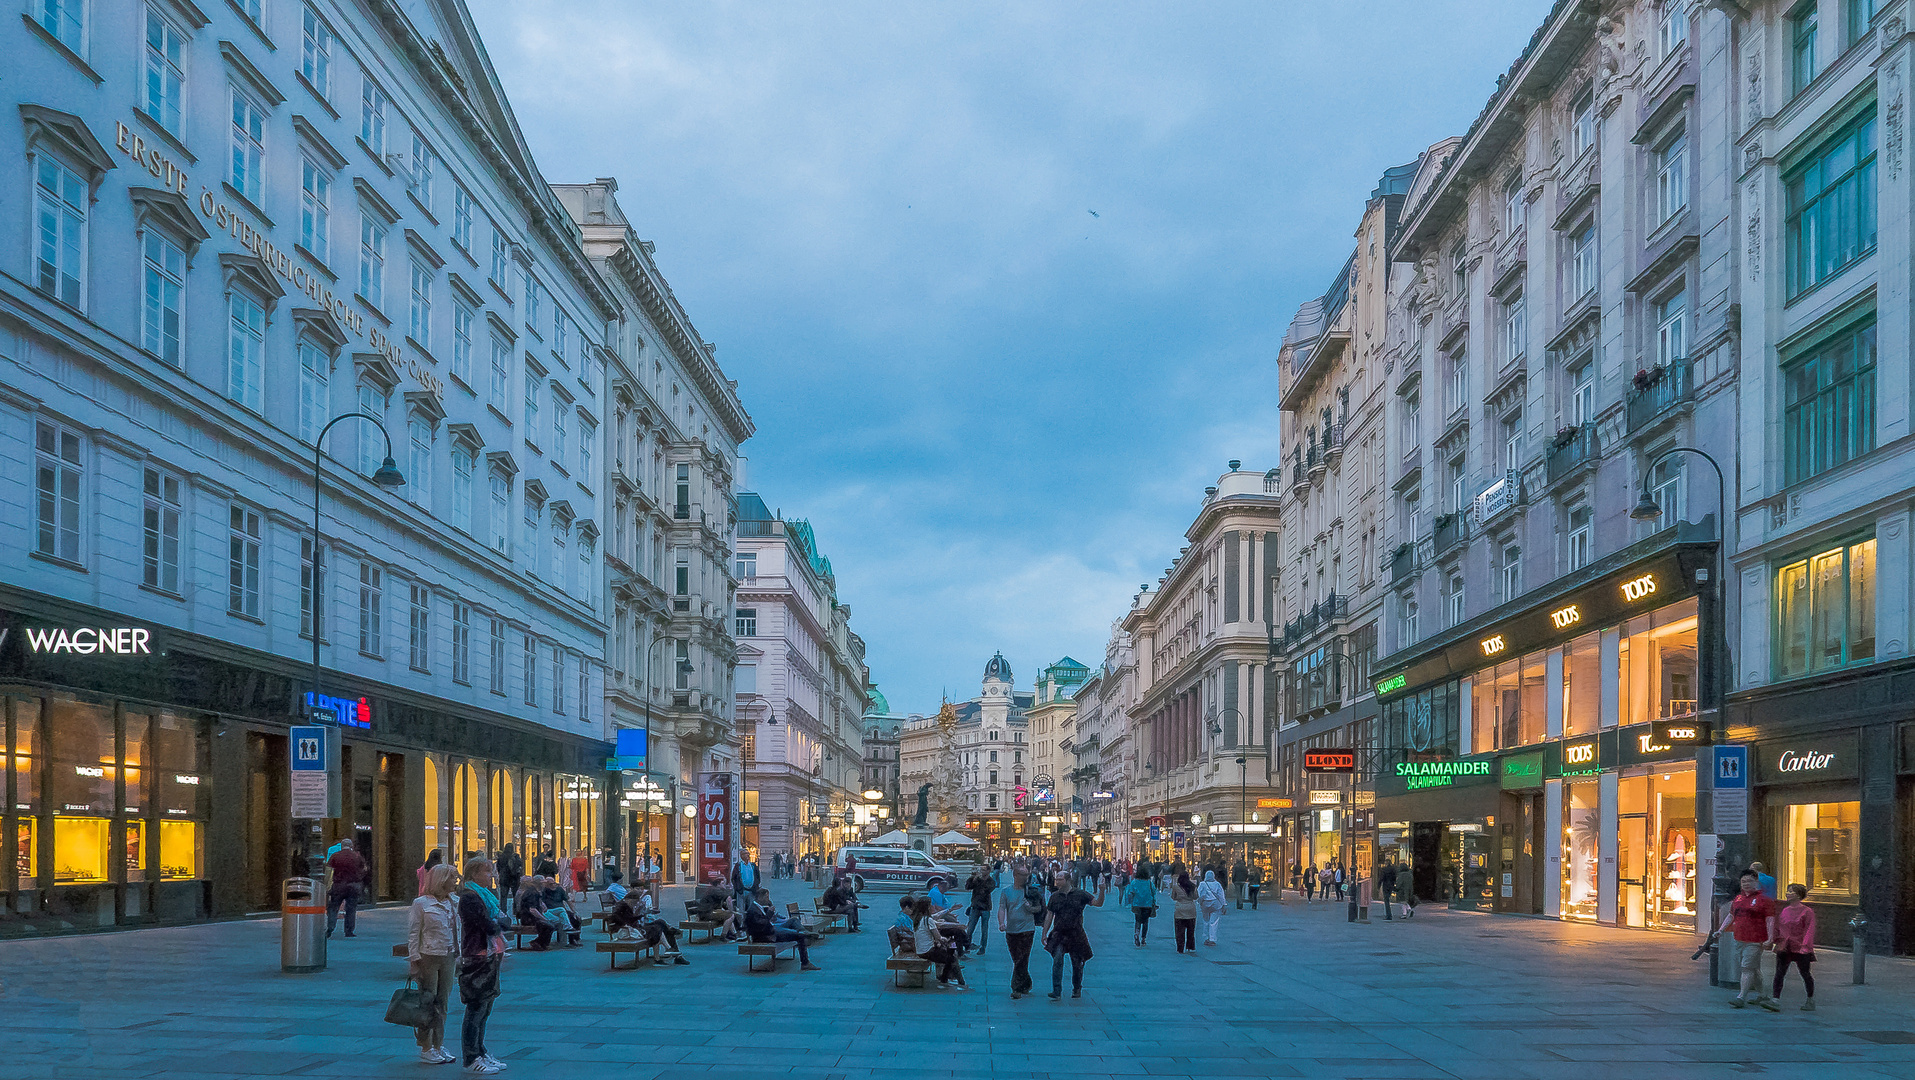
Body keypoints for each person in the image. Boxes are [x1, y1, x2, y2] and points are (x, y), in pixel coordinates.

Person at [455, 856, 509, 1074]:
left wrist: (501, 923)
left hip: (490, 953)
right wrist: (500, 924)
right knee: (476, 1007)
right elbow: (490, 925)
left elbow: (503, 920)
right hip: (477, 954)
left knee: (485, 1007)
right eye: (487, 872)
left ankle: (480, 1050)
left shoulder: (486, 896)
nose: (491, 876)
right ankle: (471, 1056)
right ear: (474, 874)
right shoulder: (470, 898)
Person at [406, 863, 460, 1065]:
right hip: (428, 955)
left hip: (448, 955)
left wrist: (459, 953)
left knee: (443, 1002)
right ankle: (426, 1046)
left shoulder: (454, 902)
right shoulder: (421, 904)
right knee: (427, 1001)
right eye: (452, 877)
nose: (455, 881)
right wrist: (414, 960)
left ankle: (439, 1044)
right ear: (441, 880)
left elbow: (457, 930)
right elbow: (413, 933)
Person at [1719, 869, 1780, 1011]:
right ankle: (1763, 995)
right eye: (1743, 881)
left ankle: (1741, 997)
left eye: (1749, 881)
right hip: (1739, 938)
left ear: (1756, 883)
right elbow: (1731, 916)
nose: (1746, 884)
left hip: (1755, 940)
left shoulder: (1764, 900)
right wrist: (1721, 930)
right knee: (1753, 968)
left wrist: (1770, 938)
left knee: (1746, 967)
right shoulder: (1738, 899)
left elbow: (1770, 920)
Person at [1043, 869, 1108, 999]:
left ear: (1067, 880)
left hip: (1076, 933)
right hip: (1059, 933)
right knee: (1057, 960)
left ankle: (1077, 988)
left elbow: (1098, 903)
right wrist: (1044, 933)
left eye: (1060, 879)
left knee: (1077, 963)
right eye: (1056, 879)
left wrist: (1102, 890)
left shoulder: (1080, 894)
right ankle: (1056, 990)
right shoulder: (1054, 896)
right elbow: (1049, 915)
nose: (1057, 881)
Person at [995, 866, 1044, 999]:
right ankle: (1026, 983)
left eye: (1027, 875)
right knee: (1017, 958)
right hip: (1011, 930)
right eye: (1023, 875)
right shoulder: (1006, 892)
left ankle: (1015, 988)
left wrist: (1031, 908)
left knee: (1022, 957)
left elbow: (1039, 908)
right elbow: (1001, 908)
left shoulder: (1031, 892)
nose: (1026, 878)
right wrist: (1001, 922)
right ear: (1015, 875)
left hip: (1027, 929)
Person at [747, 886, 821, 972]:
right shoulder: (752, 910)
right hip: (767, 935)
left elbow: (766, 921)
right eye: (766, 897)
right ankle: (805, 963)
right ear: (760, 897)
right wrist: (770, 913)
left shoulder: (759, 907)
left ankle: (804, 931)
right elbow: (762, 926)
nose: (768, 899)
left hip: (772, 929)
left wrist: (770, 913)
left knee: (793, 920)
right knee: (799, 935)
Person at [1772, 883, 1817, 1011]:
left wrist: (1806, 946)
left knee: (1805, 973)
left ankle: (1810, 999)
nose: (1787, 894)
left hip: (1800, 947)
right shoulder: (1785, 911)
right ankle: (1775, 999)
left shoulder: (1807, 911)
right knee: (1779, 973)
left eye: (1791, 891)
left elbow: (1809, 929)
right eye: (1787, 891)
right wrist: (1776, 940)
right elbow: (1780, 927)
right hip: (1785, 946)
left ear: (1798, 895)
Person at [910, 895, 969, 989]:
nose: (932, 907)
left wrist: (950, 911)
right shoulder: (928, 920)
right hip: (927, 951)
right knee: (952, 958)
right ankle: (961, 983)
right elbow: (938, 937)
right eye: (930, 905)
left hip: (921, 950)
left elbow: (937, 918)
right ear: (927, 907)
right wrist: (945, 939)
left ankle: (945, 979)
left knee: (949, 955)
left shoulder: (919, 919)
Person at [324, 840, 367, 938]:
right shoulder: (357, 856)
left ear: (341, 846)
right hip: (353, 885)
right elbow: (365, 869)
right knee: (351, 909)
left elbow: (328, 871)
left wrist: (327, 885)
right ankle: (349, 931)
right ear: (351, 846)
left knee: (333, 907)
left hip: (339, 885)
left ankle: (330, 928)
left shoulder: (335, 856)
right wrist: (359, 878)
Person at [514, 879, 555, 951]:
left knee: (550, 924)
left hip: (528, 917)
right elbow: (532, 910)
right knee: (549, 925)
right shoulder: (532, 893)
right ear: (538, 884)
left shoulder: (532, 891)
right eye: (542, 883)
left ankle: (542, 943)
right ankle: (538, 942)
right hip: (529, 918)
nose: (544, 885)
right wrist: (544, 918)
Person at [540, 876, 583, 946]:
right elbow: (541, 902)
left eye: (553, 883)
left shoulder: (560, 890)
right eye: (549, 884)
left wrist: (574, 911)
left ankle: (574, 939)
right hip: (550, 911)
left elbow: (568, 901)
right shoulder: (544, 891)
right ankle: (565, 939)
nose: (552, 885)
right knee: (563, 918)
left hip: (561, 911)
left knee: (574, 918)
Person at [1121, 865, 1157, 947]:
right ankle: (1143, 939)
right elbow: (1154, 892)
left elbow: (1131, 892)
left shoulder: (1134, 882)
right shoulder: (1149, 882)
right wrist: (1154, 902)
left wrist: (1131, 902)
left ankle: (1136, 933)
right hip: (1147, 904)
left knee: (1137, 920)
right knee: (1145, 922)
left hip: (1137, 904)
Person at [964, 867, 995, 956]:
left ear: (988, 871)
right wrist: (972, 879)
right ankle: (967, 946)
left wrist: (978, 880)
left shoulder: (991, 881)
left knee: (984, 929)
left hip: (985, 907)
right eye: (981, 870)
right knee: (970, 928)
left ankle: (982, 947)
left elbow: (986, 890)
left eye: (984, 870)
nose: (982, 872)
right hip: (975, 907)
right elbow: (968, 887)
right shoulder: (976, 880)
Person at [1168, 869, 1198, 954]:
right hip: (1191, 909)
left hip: (1180, 909)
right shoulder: (1193, 886)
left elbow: (1173, 897)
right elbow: (1196, 896)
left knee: (1179, 930)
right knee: (1191, 930)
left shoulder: (1176, 887)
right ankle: (1190, 946)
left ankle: (1180, 948)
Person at [1198, 869, 1228, 946]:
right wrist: (1224, 904)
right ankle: (1212, 938)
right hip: (1215, 904)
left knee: (1206, 921)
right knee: (1214, 921)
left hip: (1205, 904)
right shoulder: (1217, 884)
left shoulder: (1202, 884)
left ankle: (1206, 937)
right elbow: (1221, 895)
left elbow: (1198, 894)